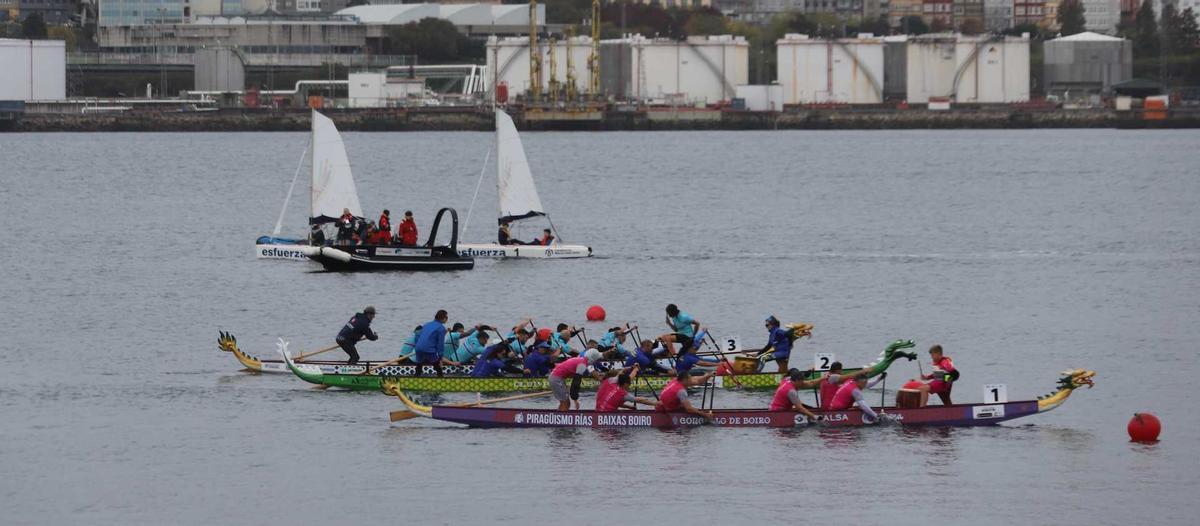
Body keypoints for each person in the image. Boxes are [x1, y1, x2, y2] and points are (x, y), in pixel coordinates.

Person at [818, 362, 886, 410]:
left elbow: (863, 385)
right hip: (832, 409)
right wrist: (863, 371)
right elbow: (863, 385)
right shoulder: (833, 377)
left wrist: (879, 379)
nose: (842, 373)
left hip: (825, 407)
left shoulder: (825, 376)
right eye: (841, 370)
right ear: (838, 370)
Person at [412, 310, 449, 376]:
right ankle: (442, 381)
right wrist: (440, 357)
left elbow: (417, 335)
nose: (447, 319)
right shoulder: (441, 328)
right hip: (429, 349)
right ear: (443, 318)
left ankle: (415, 379)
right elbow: (440, 344)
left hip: (418, 348)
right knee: (437, 367)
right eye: (446, 317)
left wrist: (417, 346)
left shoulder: (426, 324)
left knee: (419, 367)